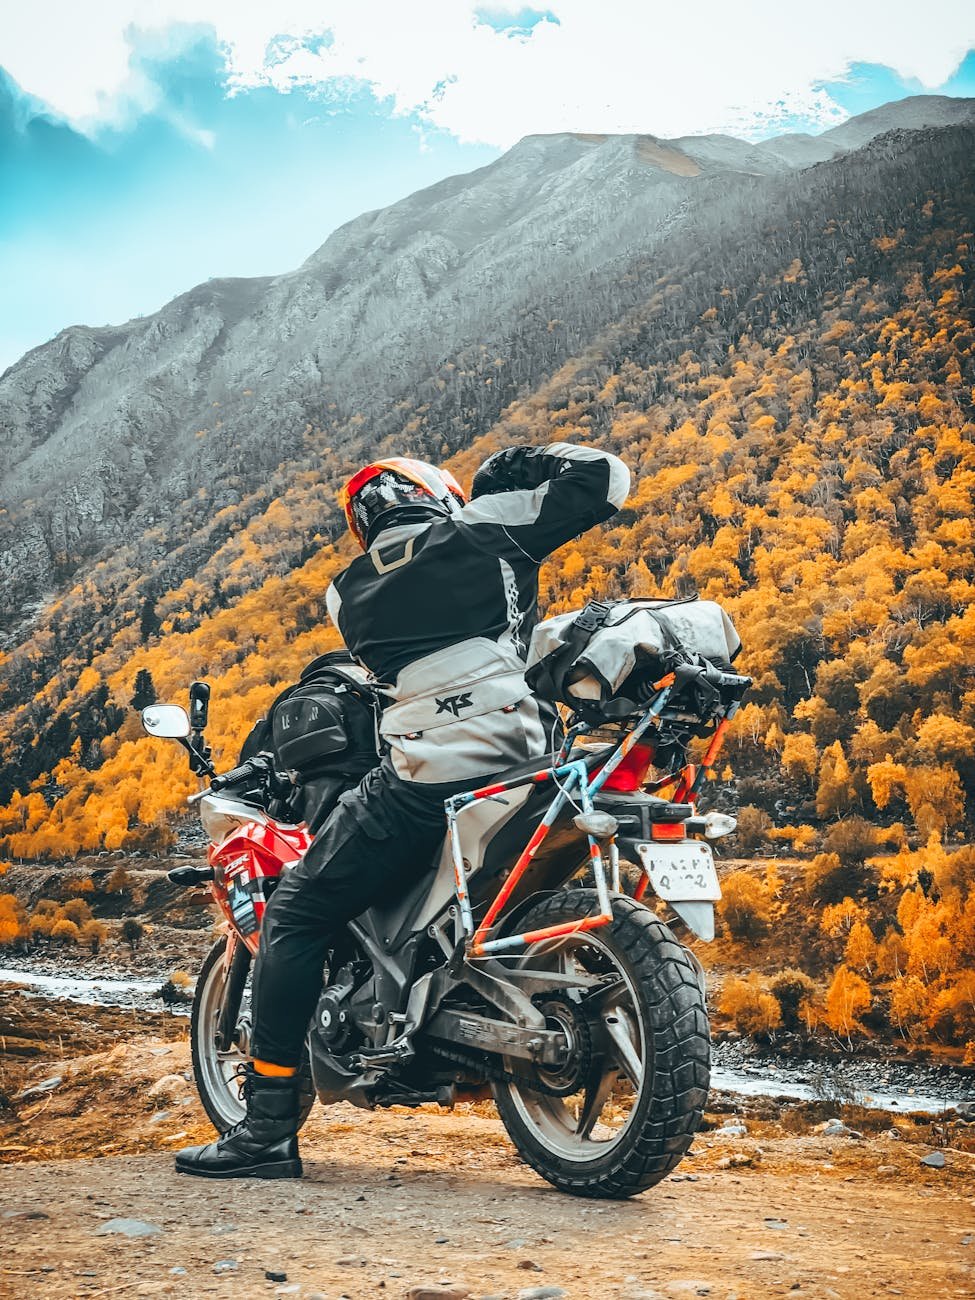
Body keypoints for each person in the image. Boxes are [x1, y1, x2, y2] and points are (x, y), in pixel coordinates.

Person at [175, 441, 630, 1178]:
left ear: (362, 523)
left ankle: (263, 1132)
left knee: (294, 914)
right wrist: (516, 466)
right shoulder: (488, 531)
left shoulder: (346, 592)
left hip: (426, 782)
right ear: (439, 498)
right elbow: (607, 477)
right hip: (533, 760)